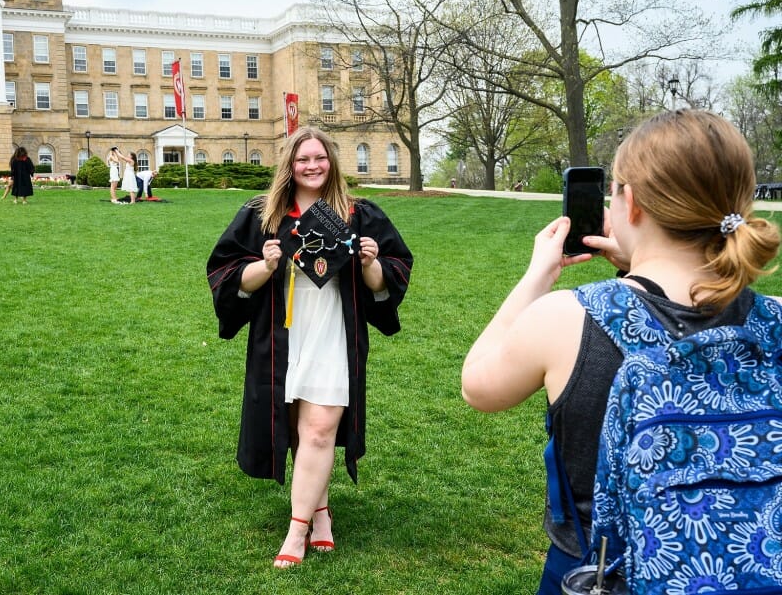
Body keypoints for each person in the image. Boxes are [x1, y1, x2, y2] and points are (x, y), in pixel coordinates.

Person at [460, 108, 781, 595]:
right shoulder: (774, 318)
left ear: (630, 204)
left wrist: (538, 276)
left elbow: (477, 385)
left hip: (602, 571)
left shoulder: (567, 317)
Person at [206, 126, 413, 570]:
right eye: (303, 159)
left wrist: (373, 265)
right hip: (283, 336)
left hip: (333, 334)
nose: (312, 166)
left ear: (332, 163)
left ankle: (296, 529)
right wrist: (265, 265)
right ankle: (320, 514)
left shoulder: (358, 214)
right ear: (290, 165)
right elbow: (226, 277)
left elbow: (389, 283)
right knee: (302, 429)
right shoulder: (261, 215)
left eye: (320, 158)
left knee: (319, 430)